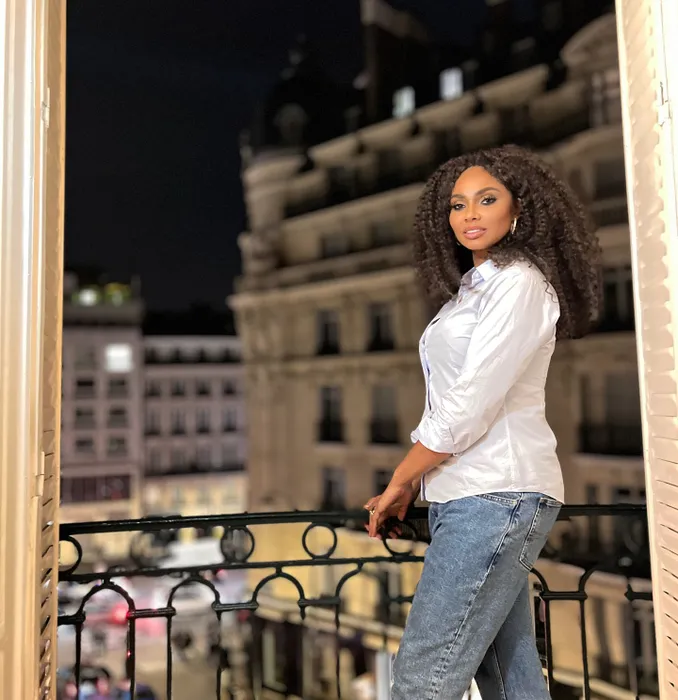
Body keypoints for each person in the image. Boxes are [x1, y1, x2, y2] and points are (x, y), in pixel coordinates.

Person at [364, 145, 601, 700]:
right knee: (509, 680)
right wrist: (419, 483)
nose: (469, 214)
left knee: (421, 679)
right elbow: (453, 399)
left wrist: (402, 478)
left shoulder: (520, 283)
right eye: (458, 204)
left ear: (519, 211)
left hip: (497, 494)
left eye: (487, 200)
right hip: (469, 496)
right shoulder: (473, 289)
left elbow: (470, 404)